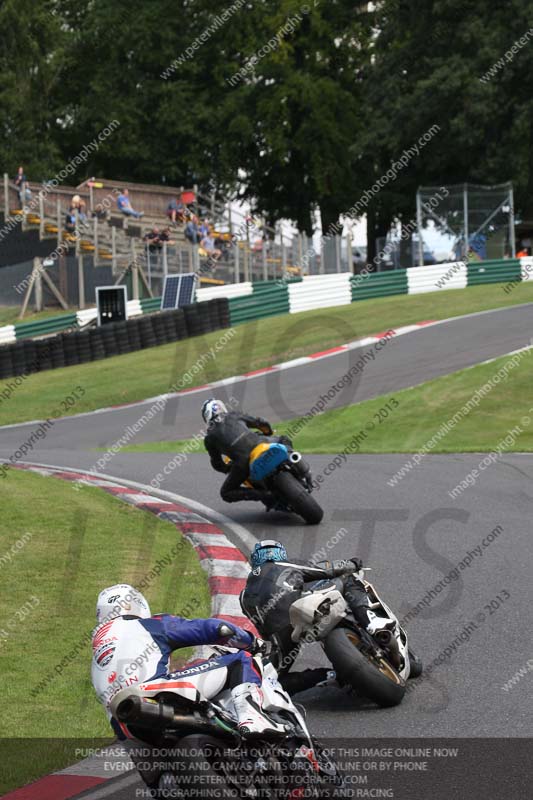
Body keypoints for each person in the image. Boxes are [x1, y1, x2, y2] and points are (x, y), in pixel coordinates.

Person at [91, 583, 285, 738]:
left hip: (123, 722)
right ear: (138, 604)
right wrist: (252, 642)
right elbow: (216, 629)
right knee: (240, 660)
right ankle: (251, 718)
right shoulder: (148, 625)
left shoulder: (96, 652)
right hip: (154, 692)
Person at [240, 540, 396, 678]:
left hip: (281, 634)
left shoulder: (243, 594)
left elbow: (259, 625)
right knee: (347, 577)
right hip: (301, 611)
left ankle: (329, 676)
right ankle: (371, 622)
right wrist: (352, 564)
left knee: (274, 678)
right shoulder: (284, 565)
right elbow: (322, 569)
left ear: (255, 559)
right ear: (279, 554)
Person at [202, 399, 293, 506]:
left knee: (226, 493)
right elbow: (260, 422)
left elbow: (217, 464)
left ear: (207, 416)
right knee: (284, 439)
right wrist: (268, 432)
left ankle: (265, 494)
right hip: (262, 443)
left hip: (242, 463)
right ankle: (294, 462)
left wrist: (228, 468)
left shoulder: (209, 438)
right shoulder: (234, 414)